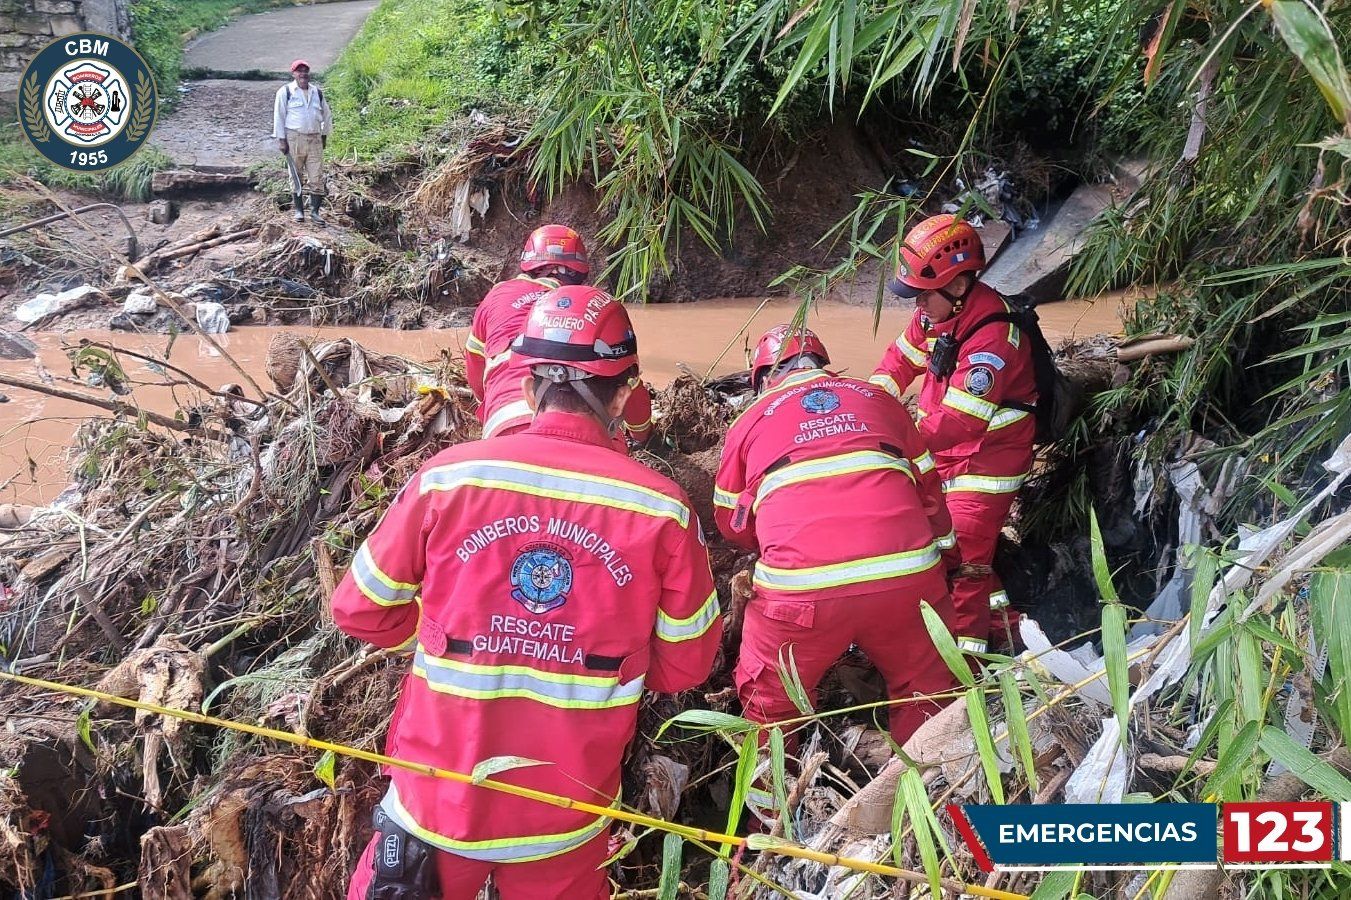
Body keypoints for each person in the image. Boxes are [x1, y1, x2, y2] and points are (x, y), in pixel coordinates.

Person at [332, 285, 722, 900]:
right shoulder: (662, 510)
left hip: (437, 800)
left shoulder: (448, 478)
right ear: (623, 395)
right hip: (567, 814)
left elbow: (357, 608)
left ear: (528, 385)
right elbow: (687, 665)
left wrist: (444, 634)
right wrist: (587, 654)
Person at [713, 324, 958, 750]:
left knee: (770, 709)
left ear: (766, 378)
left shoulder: (750, 419)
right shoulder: (880, 399)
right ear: (824, 366)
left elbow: (729, 519)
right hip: (906, 580)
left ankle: (769, 814)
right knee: (927, 694)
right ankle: (923, 798)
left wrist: (772, 535)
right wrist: (949, 563)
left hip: (799, 593)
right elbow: (931, 497)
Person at [871, 214, 1037, 655]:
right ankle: (1006, 622)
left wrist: (892, 441)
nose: (916, 306)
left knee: (963, 561)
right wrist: (866, 411)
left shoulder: (993, 337)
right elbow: (896, 365)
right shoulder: (934, 317)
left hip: (988, 462)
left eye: (922, 296)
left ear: (958, 287)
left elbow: (962, 422)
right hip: (947, 455)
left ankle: (965, 671)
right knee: (957, 549)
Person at [464, 225, 653, 448]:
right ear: (580, 271)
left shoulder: (497, 295)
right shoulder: (595, 307)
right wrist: (644, 438)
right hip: (592, 436)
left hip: (505, 425)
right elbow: (632, 388)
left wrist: (486, 403)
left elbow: (475, 367)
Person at [273, 59, 332, 224]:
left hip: (315, 139)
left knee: (317, 176)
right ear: (293, 74)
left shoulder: (317, 92)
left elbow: (326, 116)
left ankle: (315, 212)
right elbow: (279, 116)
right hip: (295, 138)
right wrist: (281, 141)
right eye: (299, 71)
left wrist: (324, 136)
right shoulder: (285, 92)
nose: (303, 74)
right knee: (296, 175)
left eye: (305, 71)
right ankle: (299, 211)